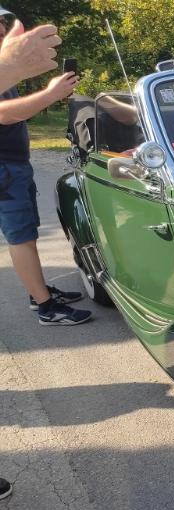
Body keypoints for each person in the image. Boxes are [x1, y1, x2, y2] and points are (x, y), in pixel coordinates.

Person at [0, 8, 91, 326]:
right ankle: (46, 308)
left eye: (2, 22)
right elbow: (6, 113)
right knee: (20, 237)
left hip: (13, 164)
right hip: (4, 168)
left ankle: (37, 292)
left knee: (27, 232)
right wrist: (51, 94)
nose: (2, 29)